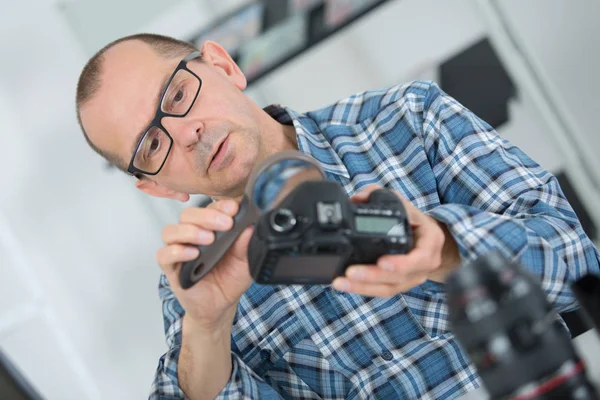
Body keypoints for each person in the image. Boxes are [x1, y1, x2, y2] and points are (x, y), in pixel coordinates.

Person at [75, 33, 600, 400]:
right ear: (156, 185)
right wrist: (209, 330)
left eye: (178, 94)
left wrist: (440, 247)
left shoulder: (404, 117)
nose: (186, 132)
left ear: (222, 65)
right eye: (151, 145)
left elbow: (578, 260)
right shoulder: (193, 290)